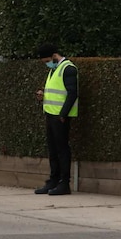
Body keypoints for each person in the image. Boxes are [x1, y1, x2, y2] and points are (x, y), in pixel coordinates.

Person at [33, 43, 79, 195]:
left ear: (54, 56)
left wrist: (63, 114)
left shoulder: (68, 68)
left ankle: (64, 183)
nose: (46, 63)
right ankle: (53, 180)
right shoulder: (54, 69)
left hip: (60, 117)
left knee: (62, 150)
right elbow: (57, 91)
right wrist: (43, 94)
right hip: (50, 114)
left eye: (46, 60)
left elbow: (72, 93)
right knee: (53, 150)